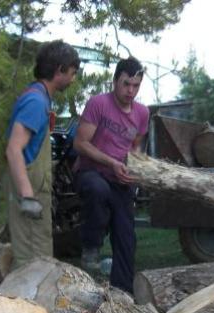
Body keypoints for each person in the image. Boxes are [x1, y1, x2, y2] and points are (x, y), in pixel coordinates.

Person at [73, 57, 149, 293]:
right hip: (91, 172)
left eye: (136, 86)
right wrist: (112, 162)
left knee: (126, 237)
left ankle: (123, 293)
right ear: (115, 81)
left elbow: (136, 147)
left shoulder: (142, 113)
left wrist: (134, 168)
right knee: (99, 189)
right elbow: (80, 143)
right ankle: (91, 246)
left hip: (120, 180)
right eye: (126, 84)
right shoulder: (98, 104)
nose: (130, 91)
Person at [5, 40, 80, 270]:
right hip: (31, 197)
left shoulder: (41, 98)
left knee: (40, 261)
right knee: (31, 263)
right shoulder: (36, 102)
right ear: (59, 70)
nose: (73, 79)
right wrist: (27, 196)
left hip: (37, 193)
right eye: (72, 73)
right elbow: (13, 149)